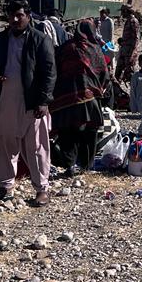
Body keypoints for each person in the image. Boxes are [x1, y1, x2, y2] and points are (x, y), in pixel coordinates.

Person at [0, 0, 56, 207]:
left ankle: (42, 189)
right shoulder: (0, 39)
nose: (15, 20)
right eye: (11, 16)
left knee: (36, 146)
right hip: (6, 99)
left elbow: (49, 73)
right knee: (4, 144)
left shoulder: (40, 39)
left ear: (28, 16)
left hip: (32, 102)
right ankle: (5, 186)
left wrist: (43, 101)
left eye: (20, 15)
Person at [50, 20, 109, 175]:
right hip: (89, 99)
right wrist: (99, 89)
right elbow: (104, 73)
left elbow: (54, 69)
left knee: (67, 132)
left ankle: (69, 164)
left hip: (65, 100)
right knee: (89, 132)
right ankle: (85, 165)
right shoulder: (95, 48)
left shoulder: (65, 48)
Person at [116, 5, 141, 82]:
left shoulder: (133, 21)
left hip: (129, 52)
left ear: (126, 11)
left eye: (122, 11)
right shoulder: (128, 21)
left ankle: (134, 88)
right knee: (118, 72)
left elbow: (136, 38)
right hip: (124, 50)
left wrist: (132, 53)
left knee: (130, 74)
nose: (121, 13)